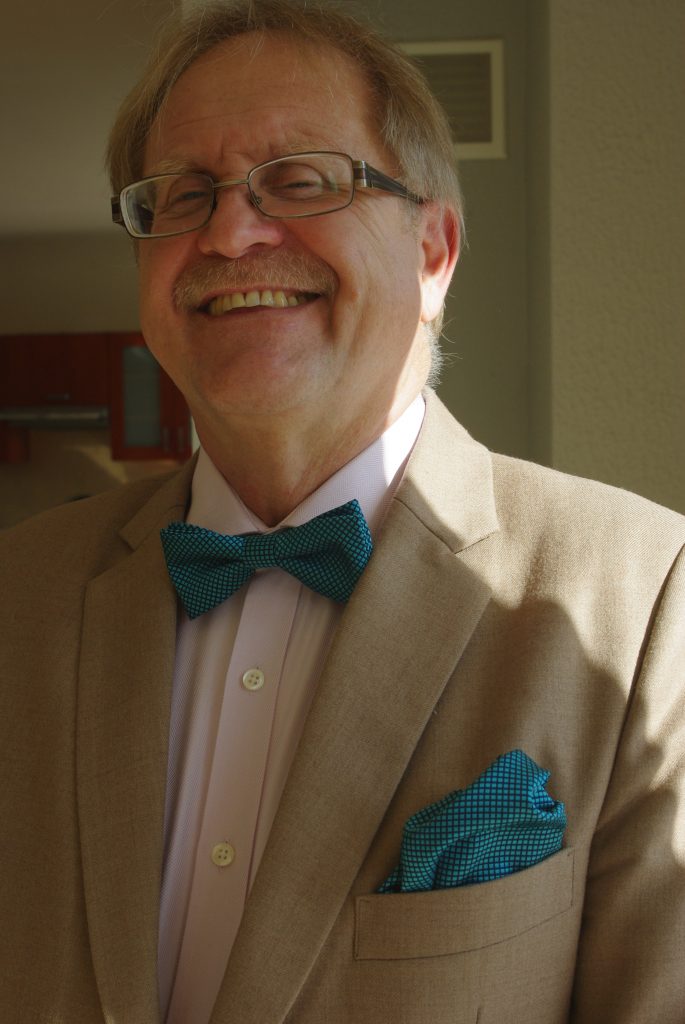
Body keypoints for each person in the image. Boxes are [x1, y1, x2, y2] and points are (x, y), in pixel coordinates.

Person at [1, 1, 683, 1022]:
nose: (229, 232)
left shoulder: (644, 599)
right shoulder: (19, 591)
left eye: (301, 180)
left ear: (433, 252)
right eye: (184, 194)